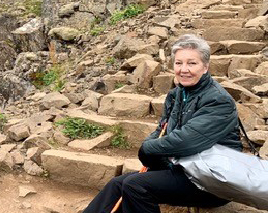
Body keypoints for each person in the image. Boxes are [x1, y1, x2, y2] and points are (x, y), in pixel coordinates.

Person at [83, 34, 242, 213]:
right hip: (183, 170)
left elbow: (186, 141)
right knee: (117, 184)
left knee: (135, 186)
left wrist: (148, 149)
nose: (184, 69)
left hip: (213, 179)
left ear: (205, 67)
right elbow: (162, 129)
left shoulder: (218, 100)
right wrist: (152, 148)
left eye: (192, 63)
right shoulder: (177, 94)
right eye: (179, 63)